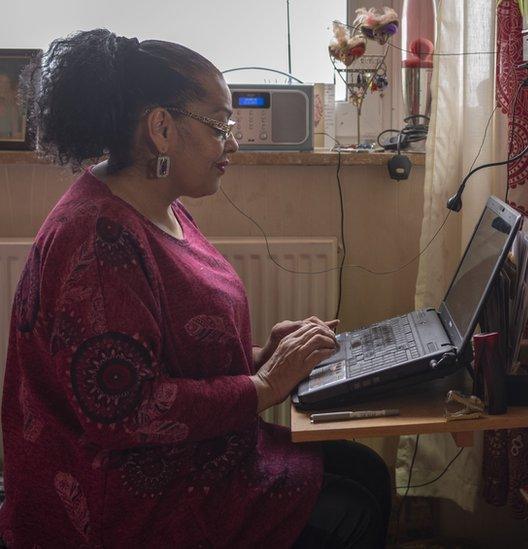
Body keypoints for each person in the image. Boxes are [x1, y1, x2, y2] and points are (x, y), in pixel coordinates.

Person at [0, 29, 390, 547]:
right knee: (355, 506)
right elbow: (126, 410)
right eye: (220, 123)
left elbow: (168, 354)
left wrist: (261, 356)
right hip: (122, 501)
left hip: (189, 459)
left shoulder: (156, 204)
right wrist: (266, 385)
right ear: (161, 128)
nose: (233, 140)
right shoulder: (98, 239)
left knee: (365, 468)